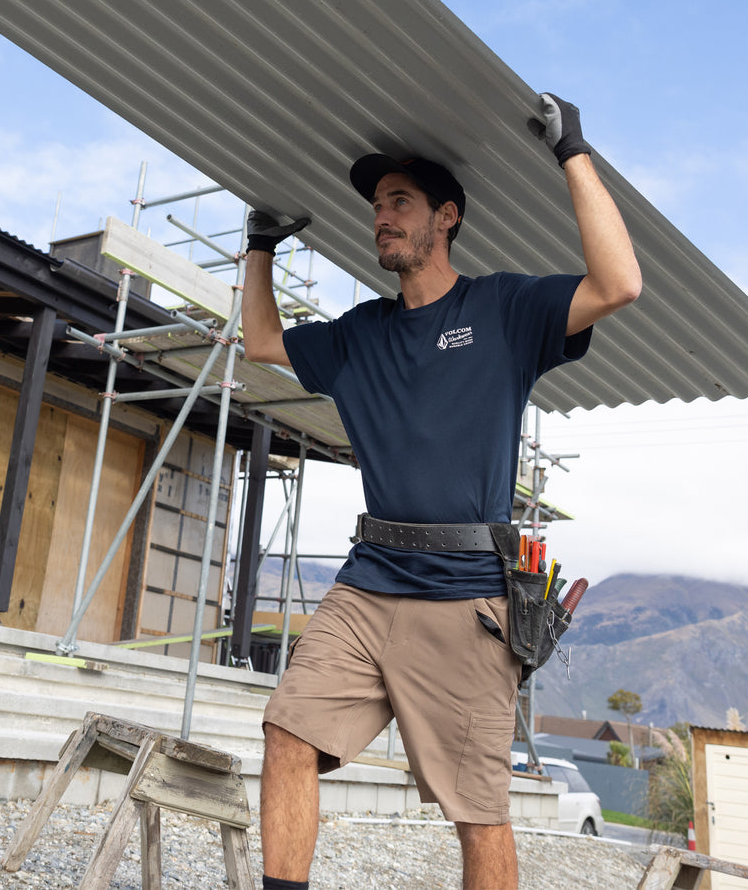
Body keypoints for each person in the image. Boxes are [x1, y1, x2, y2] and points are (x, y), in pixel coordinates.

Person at [241, 94, 641, 890]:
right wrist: (259, 249)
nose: (381, 218)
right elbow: (259, 341)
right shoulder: (358, 335)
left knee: (477, 812)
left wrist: (571, 151)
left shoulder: (502, 310)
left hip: (466, 601)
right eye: (377, 206)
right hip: (366, 584)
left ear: (445, 218)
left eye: (399, 203)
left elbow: (620, 281)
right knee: (287, 732)